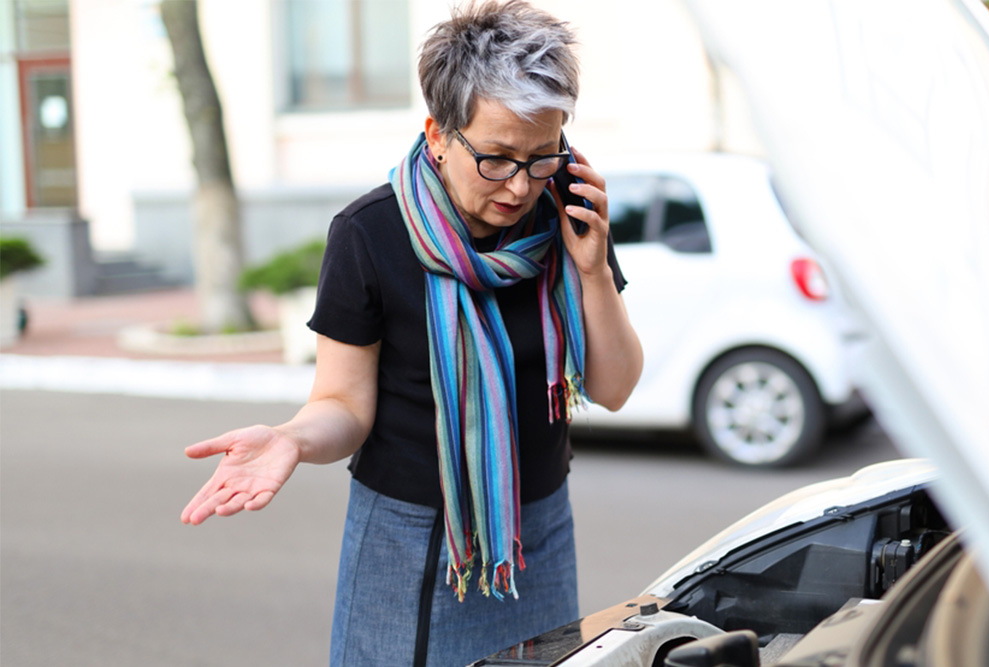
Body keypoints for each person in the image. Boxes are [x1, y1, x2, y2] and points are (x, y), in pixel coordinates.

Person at [178, 2, 643, 665]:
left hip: (535, 531)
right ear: (438, 134)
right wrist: (291, 439)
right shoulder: (370, 234)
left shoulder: (567, 217)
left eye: (543, 156)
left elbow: (615, 388)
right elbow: (343, 403)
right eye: (497, 158)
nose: (520, 186)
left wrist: (591, 270)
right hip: (412, 537)